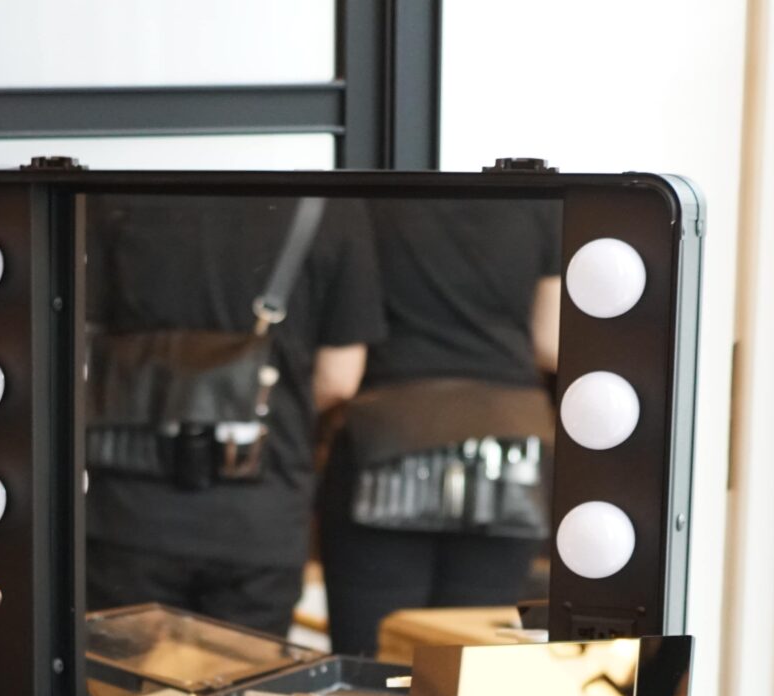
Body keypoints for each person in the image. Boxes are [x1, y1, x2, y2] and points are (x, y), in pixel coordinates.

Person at [83, 195, 383, 637]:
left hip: (128, 513)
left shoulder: (119, 192)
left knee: (123, 679)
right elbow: (339, 378)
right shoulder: (327, 206)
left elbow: (80, 341)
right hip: (260, 516)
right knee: (243, 678)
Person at [318, 198, 562, 657]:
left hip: (386, 439)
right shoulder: (539, 202)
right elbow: (551, 341)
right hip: (509, 448)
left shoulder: (372, 202)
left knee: (373, 660)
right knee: (471, 660)